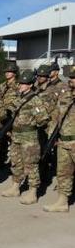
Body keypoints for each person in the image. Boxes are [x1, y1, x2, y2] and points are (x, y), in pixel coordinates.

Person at [1, 69, 50, 204]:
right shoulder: (19, 98)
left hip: (29, 138)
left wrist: (32, 122)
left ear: (30, 85)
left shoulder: (35, 100)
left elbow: (43, 119)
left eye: (24, 83)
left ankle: (33, 192)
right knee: (16, 162)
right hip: (16, 136)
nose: (21, 85)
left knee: (31, 165)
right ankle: (15, 187)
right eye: (20, 83)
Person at [43, 65, 75, 212]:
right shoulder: (65, 94)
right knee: (63, 173)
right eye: (71, 78)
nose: (72, 80)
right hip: (63, 140)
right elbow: (56, 115)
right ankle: (62, 202)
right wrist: (52, 135)